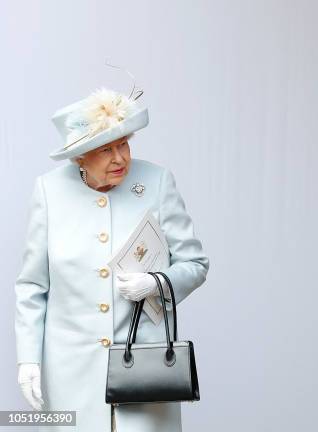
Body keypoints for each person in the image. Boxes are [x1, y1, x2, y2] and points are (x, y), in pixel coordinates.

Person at [14, 87, 209, 431]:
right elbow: (32, 287)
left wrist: (156, 284)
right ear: (80, 157)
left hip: (146, 372)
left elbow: (195, 263)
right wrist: (28, 359)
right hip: (71, 374)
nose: (120, 158)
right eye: (105, 150)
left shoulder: (157, 182)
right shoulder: (48, 192)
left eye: (124, 144)